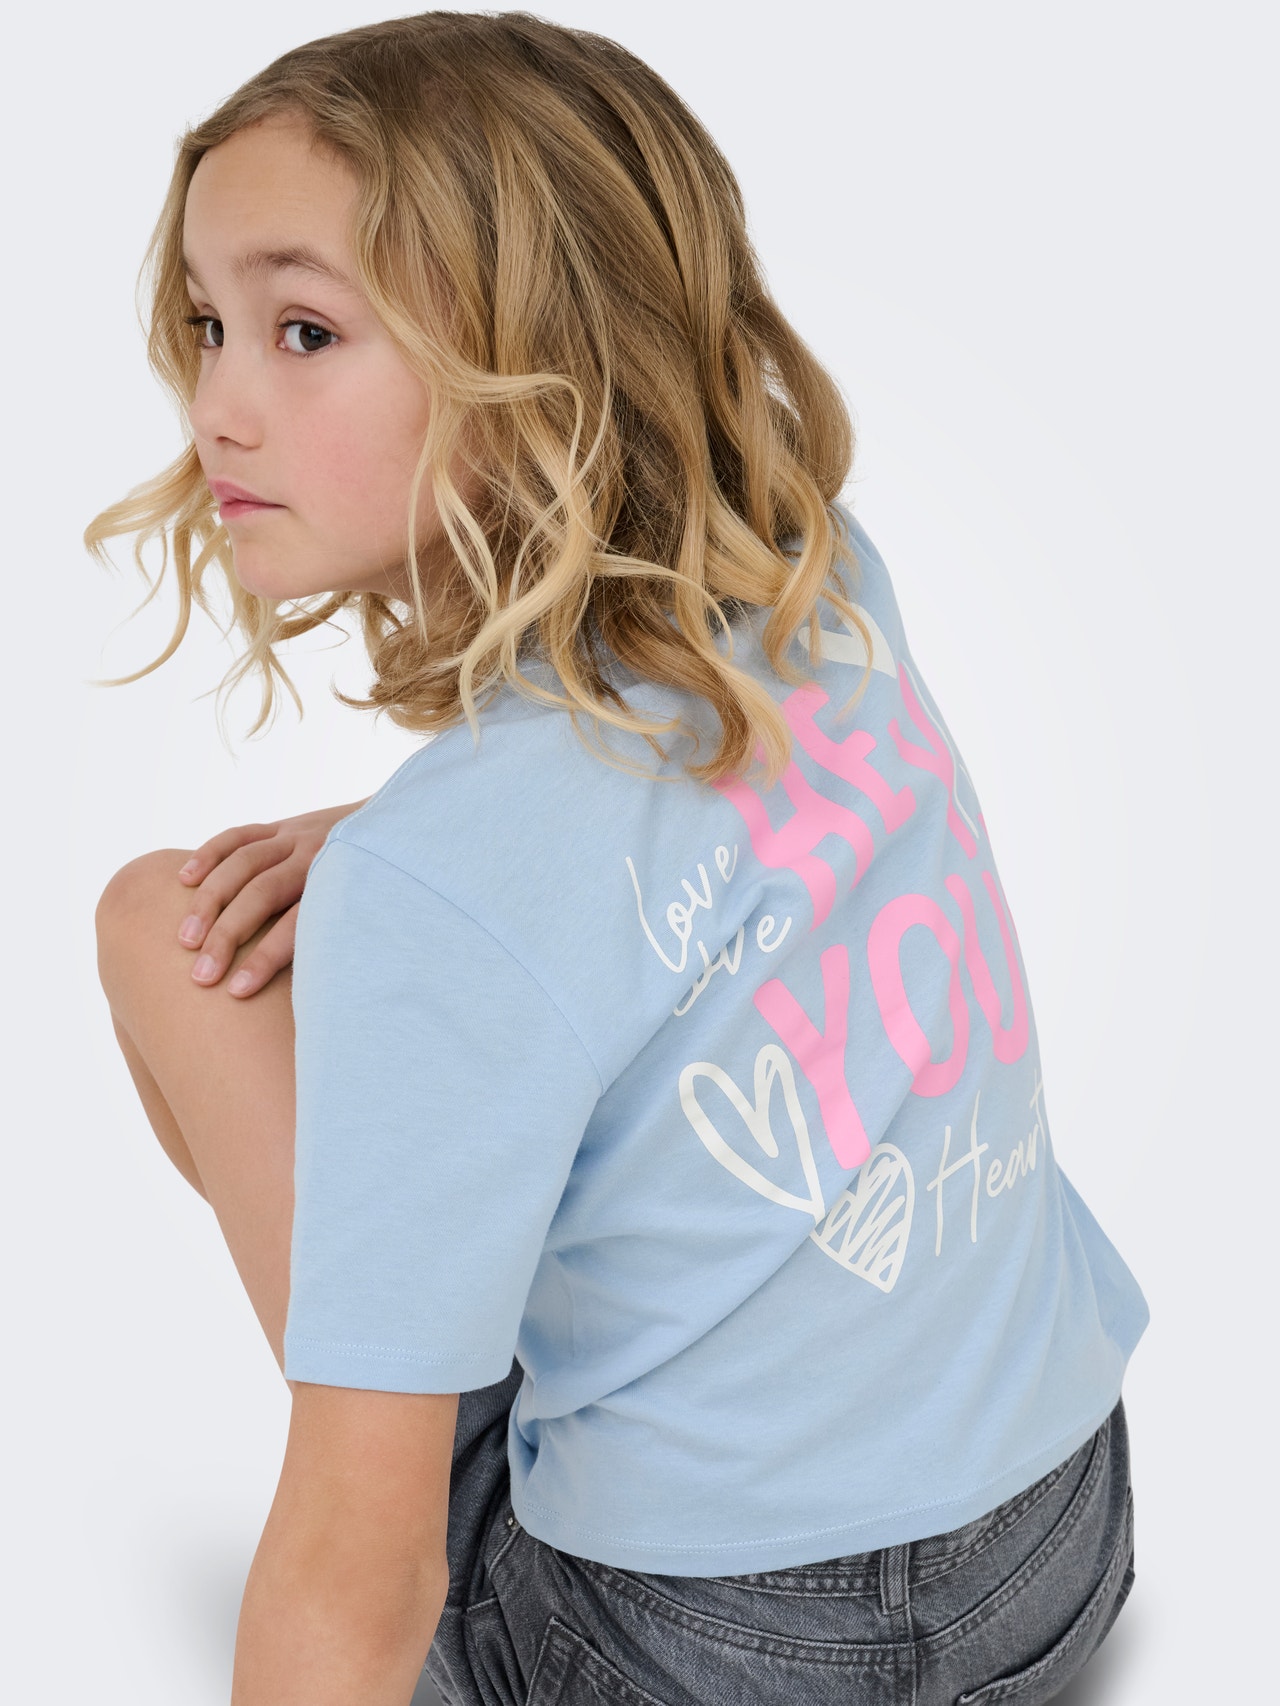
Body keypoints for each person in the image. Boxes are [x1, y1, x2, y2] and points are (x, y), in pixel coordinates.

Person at [87, 12, 1149, 1706]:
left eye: (304, 331)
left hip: (713, 1654)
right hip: (1055, 1547)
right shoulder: (813, 576)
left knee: (162, 925)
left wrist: (408, 876)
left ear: (547, 362)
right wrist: (394, 852)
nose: (217, 405)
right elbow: (714, 843)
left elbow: (359, 1570)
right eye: (209, 324)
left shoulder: (441, 889)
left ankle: (405, 1355)